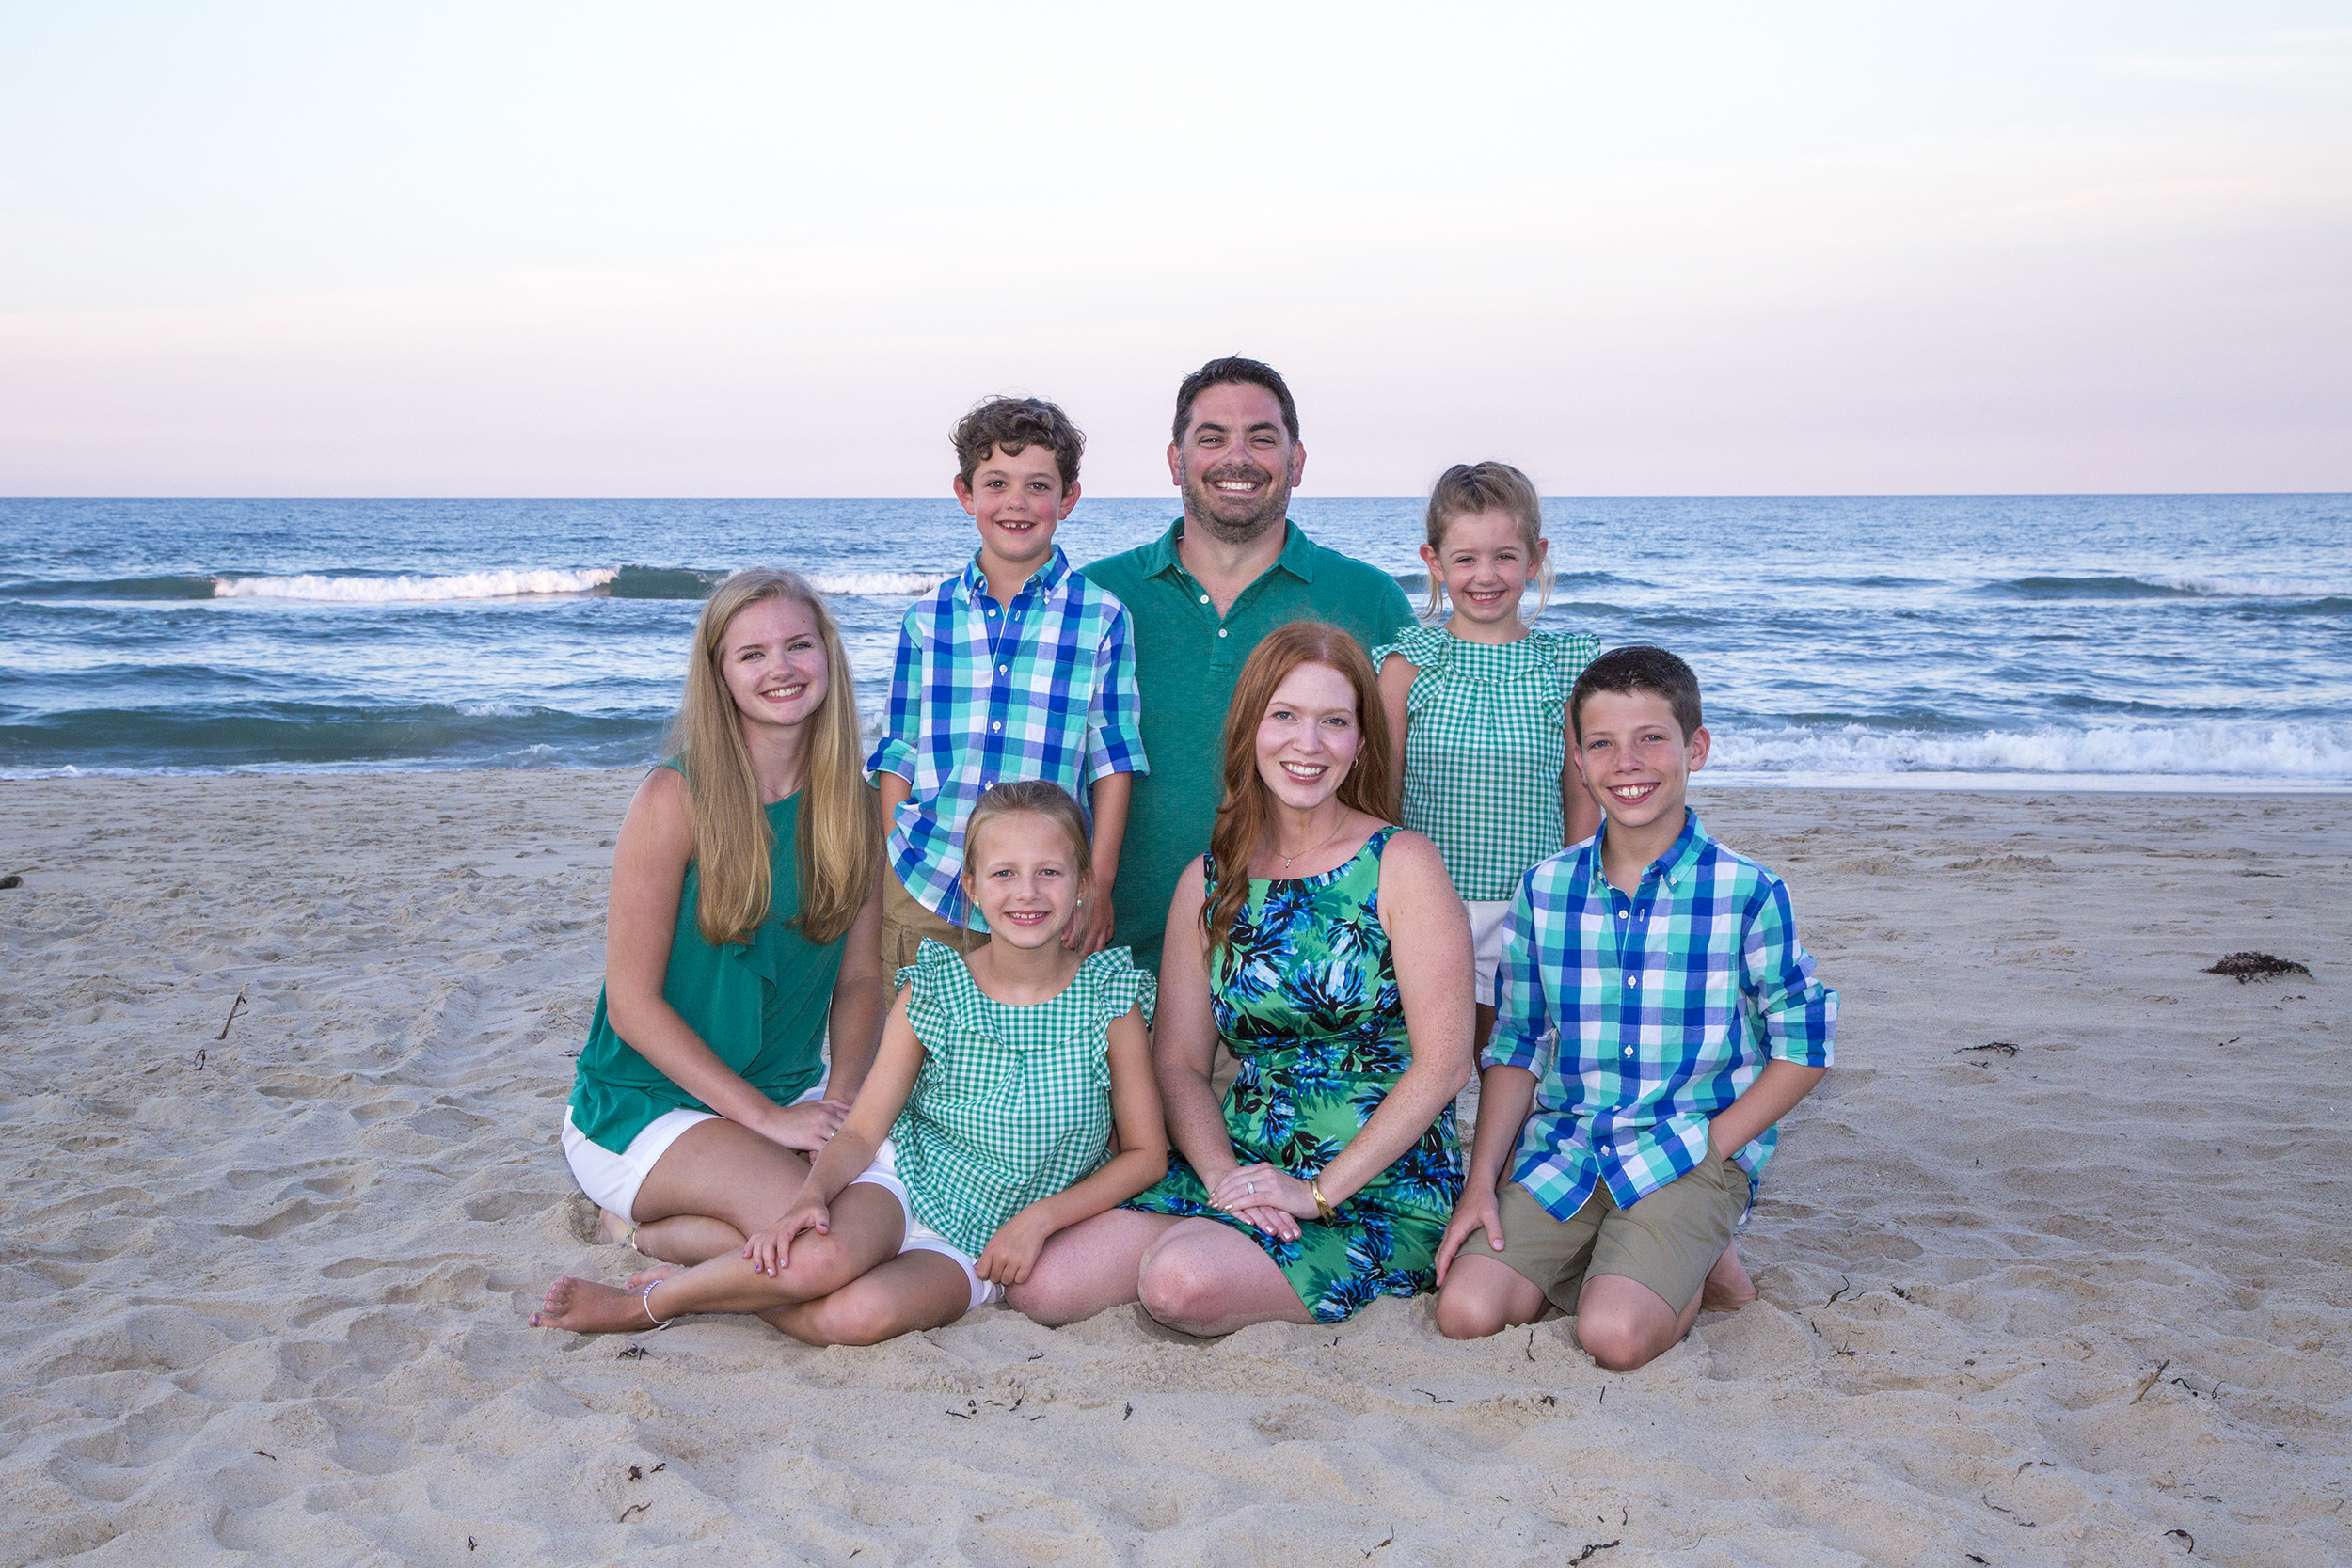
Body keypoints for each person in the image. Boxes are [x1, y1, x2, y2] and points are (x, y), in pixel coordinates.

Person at [532, 782, 1168, 1344]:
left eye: (1049, 872)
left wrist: (1040, 1219)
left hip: (983, 1238)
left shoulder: (1109, 998)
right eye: (1003, 873)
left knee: (849, 1318)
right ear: (971, 887)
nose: (1026, 892)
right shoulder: (936, 988)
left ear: (1083, 882)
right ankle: (646, 1303)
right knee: (815, 1262)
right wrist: (809, 1195)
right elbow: (864, 1128)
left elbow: (1146, 1153)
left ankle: (662, 1241)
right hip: (907, 1183)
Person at [1009, 624, 1473, 1333]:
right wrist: (1225, 1177)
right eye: (1284, 715)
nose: (1307, 744)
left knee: (1178, 1281)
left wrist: (1316, 1192)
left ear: (1362, 742)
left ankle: (1252, 1255)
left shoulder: (1402, 863)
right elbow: (1181, 1062)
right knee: (1043, 1284)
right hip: (1245, 1164)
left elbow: (1444, 1067)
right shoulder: (1208, 880)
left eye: (1334, 722)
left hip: (1376, 1182)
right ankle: (1225, 1236)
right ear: (1250, 727)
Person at [1431, 646, 1837, 1371]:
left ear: (1696, 748)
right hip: (1571, 1148)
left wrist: (1713, 1145)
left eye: (1651, 737)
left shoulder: (1747, 891)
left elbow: (1804, 1048)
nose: (1628, 762)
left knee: (1613, 1334)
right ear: (1579, 762)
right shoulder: (1546, 890)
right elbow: (1517, 1045)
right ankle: (1647, 1249)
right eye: (1603, 743)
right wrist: (1481, 1187)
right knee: (1466, 1312)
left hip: (1689, 1149)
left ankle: (1694, 1255)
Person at [553, 567, 888, 1272]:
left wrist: (845, 1104)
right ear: (722, 675)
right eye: (753, 654)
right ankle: (633, 1232)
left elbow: (860, 980)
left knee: (899, 1218)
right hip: (646, 1106)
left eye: (798, 644)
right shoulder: (673, 797)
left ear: (828, 652)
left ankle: (706, 1211)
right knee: (819, 1248)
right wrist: (768, 1120)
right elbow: (632, 1005)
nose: (782, 668)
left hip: (789, 1094)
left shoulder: (855, 807)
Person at [1082, 357, 1416, 973]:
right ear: (1176, 461)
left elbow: (1408, 785)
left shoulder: (1370, 601)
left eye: (1262, 437)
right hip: (1105, 977)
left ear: (1297, 461)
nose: (1238, 457)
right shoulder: (1092, 598)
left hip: (1303, 997)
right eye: (1212, 438)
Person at [868, 395, 1146, 969]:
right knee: (918, 1048)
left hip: (1041, 896)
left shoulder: (1101, 618)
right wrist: (896, 845)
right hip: (929, 879)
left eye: (1038, 486)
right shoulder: (927, 618)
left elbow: (1112, 759)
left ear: (1067, 498)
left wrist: (1098, 881)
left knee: (1032, 1049)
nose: (1016, 503)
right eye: (996, 484)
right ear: (965, 493)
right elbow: (900, 749)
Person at [1373, 461, 1602, 1058]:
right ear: (1434, 561)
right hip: (1427, 905)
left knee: (1514, 1065)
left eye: (1505, 556)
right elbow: (1381, 797)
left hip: (1532, 905)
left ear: (1534, 557)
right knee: (1434, 1061)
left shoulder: (1566, 666)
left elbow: (1580, 797)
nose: (1485, 576)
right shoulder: (1406, 665)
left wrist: (1575, 896)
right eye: (1465, 558)